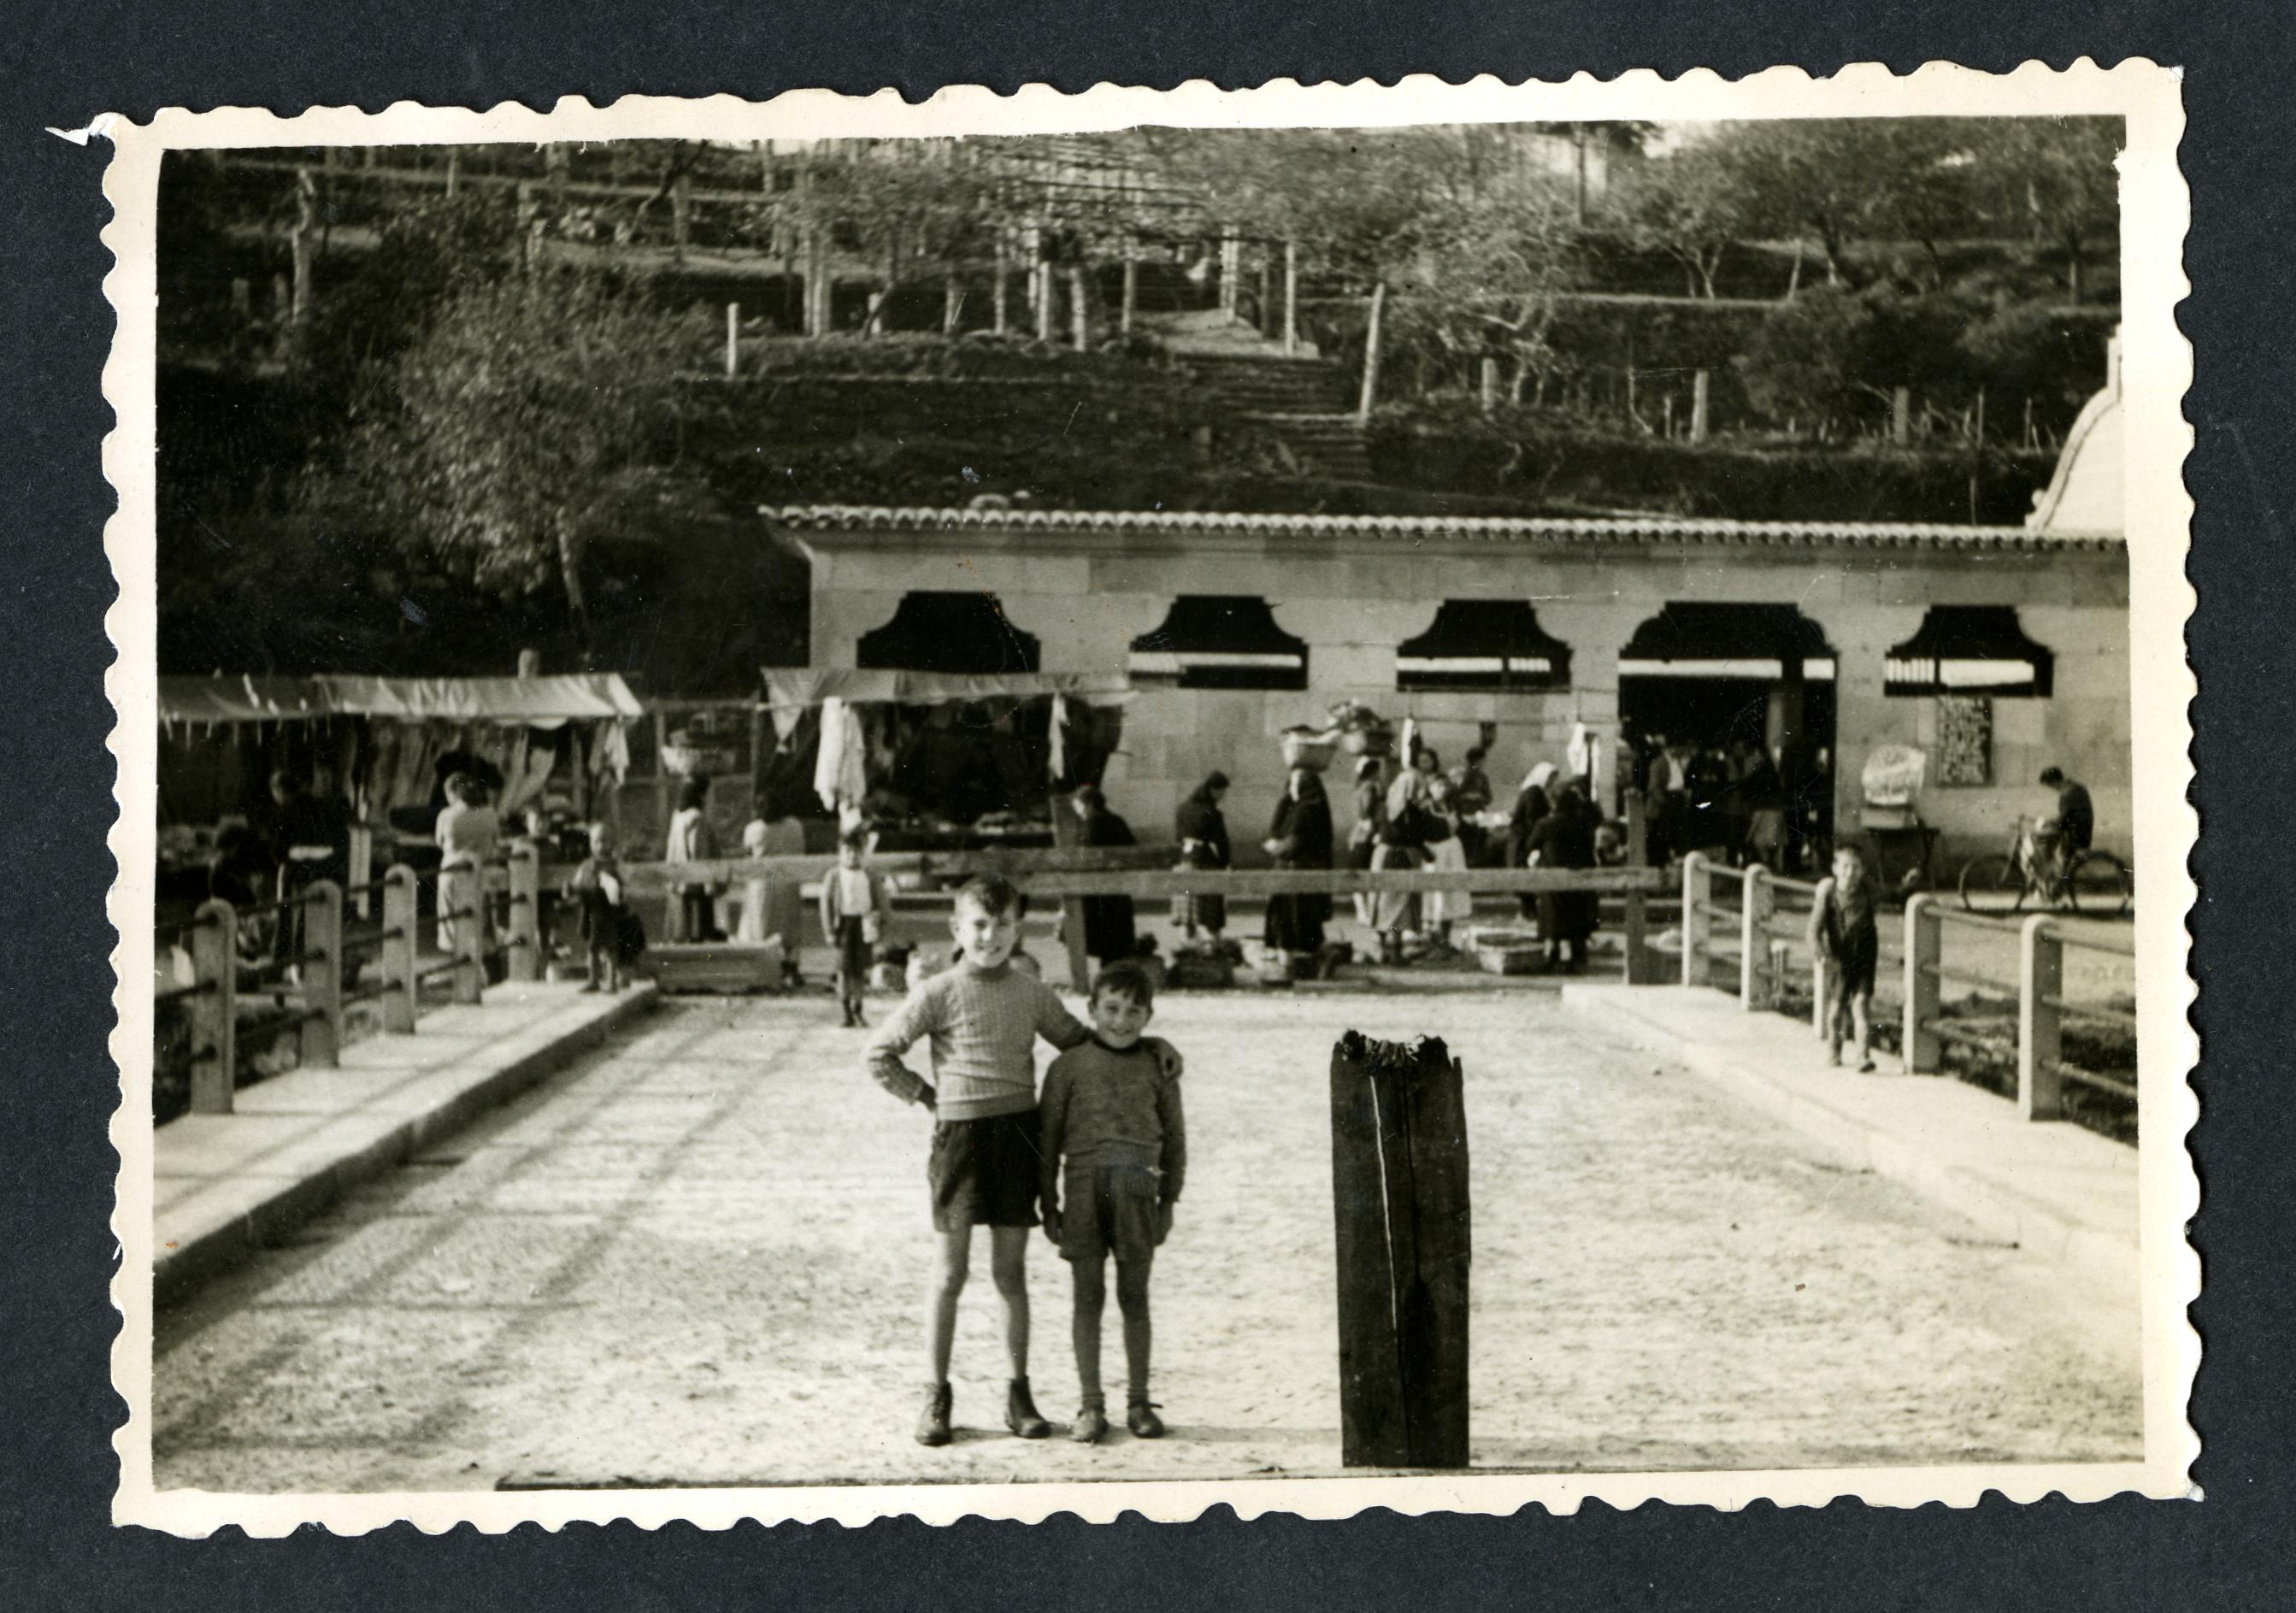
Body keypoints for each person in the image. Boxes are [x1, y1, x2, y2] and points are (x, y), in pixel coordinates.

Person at [865, 874, 1181, 1448]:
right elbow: (878, 1051)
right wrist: (927, 1095)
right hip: (959, 1141)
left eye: (1003, 925)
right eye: (979, 925)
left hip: (1017, 1135)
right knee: (949, 1273)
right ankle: (935, 1394)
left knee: (1010, 1274)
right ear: (957, 928)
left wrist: (1152, 1046)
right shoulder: (936, 991)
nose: (990, 936)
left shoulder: (1030, 991)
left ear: (1018, 929)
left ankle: (1019, 1392)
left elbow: (1089, 1039)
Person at [1039, 959, 1186, 1443]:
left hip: (1138, 1192)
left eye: (1134, 1011)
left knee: (1134, 1297)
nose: (1121, 1021)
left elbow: (1176, 1142)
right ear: (1092, 1008)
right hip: (1083, 1191)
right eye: (1111, 1008)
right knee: (1087, 1298)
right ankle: (1090, 1405)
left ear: (1149, 1016)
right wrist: (1048, 1202)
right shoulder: (1066, 1068)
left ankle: (1140, 1402)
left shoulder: (1159, 1067)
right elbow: (1047, 1140)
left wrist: (1168, 1203)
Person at [1810, 843, 1879, 1072]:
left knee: (1861, 1004)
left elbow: (1892, 894)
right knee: (1837, 1008)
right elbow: (1813, 929)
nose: (1851, 873)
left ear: (1862, 870)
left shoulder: (1868, 891)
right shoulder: (1829, 896)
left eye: (1856, 867)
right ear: (1835, 868)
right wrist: (1819, 951)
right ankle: (1834, 1050)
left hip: (1865, 957)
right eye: (1846, 867)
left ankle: (1863, 1056)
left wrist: (1908, 885)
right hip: (1839, 959)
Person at [819, 828, 892, 1027]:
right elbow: (825, 902)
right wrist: (829, 931)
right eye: (847, 851)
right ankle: (845, 1011)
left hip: (863, 925)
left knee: (859, 971)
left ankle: (858, 1008)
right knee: (843, 970)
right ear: (839, 853)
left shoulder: (869, 874)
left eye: (856, 852)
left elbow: (881, 900)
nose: (852, 856)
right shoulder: (834, 875)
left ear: (862, 853)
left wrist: (882, 922)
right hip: (842, 925)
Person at [1262, 765, 1334, 963]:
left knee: (1289, 919)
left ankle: (1291, 963)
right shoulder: (1311, 806)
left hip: (1294, 872)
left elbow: (1292, 844)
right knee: (1307, 921)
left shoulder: (1304, 810)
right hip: (1305, 872)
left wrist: (1274, 848)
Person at [1527, 777, 1598, 972]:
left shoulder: (1546, 824)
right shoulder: (1583, 823)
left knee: (1551, 912)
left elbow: (1531, 845)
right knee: (1572, 913)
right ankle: (1570, 955)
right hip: (1578, 876)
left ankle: (1550, 952)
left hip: (1552, 876)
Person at [738, 809, 808, 988]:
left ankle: (764, 969)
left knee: (762, 926)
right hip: (787, 880)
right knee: (789, 925)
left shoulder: (754, 829)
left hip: (763, 883)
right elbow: (800, 849)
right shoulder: (795, 826)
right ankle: (791, 968)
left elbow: (748, 854)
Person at [1071, 786, 1139, 971]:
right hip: (1118, 888)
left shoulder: (1091, 824)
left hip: (1097, 890)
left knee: (1101, 935)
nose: (1076, 811)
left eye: (1078, 805)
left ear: (1089, 804)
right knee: (1115, 940)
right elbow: (1133, 848)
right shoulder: (1117, 820)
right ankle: (1112, 971)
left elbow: (1082, 857)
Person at [433, 772, 499, 959]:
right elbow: (496, 839)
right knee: (483, 921)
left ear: (454, 792)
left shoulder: (447, 815)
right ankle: (486, 968)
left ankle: (457, 965)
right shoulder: (490, 813)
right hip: (482, 871)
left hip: (453, 872)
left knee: (452, 923)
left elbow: (439, 841)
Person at [1174, 773, 1233, 943]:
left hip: (1185, 860)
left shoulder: (1182, 808)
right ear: (1213, 790)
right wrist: (1225, 863)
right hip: (1206, 862)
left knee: (1187, 915)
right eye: (1221, 792)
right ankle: (1214, 947)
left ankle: (1185, 949)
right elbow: (1222, 841)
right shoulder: (1212, 812)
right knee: (1211, 913)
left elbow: (1178, 837)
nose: (1222, 796)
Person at [568, 824, 627, 994]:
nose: (601, 846)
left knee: (611, 948)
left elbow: (621, 887)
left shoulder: (614, 865)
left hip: (609, 912)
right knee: (592, 947)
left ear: (612, 843)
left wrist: (613, 886)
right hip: (591, 911)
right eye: (596, 842)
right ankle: (593, 979)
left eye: (605, 841)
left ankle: (612, 981)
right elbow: (578, 883)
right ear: (591, 844)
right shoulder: (587, 865)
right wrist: (573, 889)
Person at [665, 777, 725, 943]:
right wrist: (709, 882)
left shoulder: (677, 817)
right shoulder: (697, 818)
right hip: (696, 877)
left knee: (683, 922)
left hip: (679, 874)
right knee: (699, 925)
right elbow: (700, 849)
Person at [1420, 774, 1471, 951]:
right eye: (1438, 785)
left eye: (1445, 785)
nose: (1443, 789)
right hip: (1434, 853)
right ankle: (1432, 938)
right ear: (1430, 788)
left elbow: (1462, 827)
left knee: (1451, 895)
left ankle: (1446, 938)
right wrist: (1427, 854)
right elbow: (1419, 832)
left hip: (1453, 852)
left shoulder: (1452, 806)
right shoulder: (1426, 807)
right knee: (1434, 895)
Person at [1505, 762, 1557, 921]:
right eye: (1550, 779)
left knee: (1526, 880)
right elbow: (1533, 818)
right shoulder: (1534, 792)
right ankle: (1529, 914)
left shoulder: (1533, 790)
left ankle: (1529, 913)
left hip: (1523, 840)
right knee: (1526, 879)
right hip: (1524, 841)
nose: (1551, 783)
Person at [1345, 757, 1386, 929]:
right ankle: (1365, 913)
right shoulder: (1371, 787)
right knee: (1367, 874)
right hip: (1367, 836)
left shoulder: (1358, 788)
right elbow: (1368, 810)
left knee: (1359, 874)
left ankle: (1362, 912)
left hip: (1357, 837)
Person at [2036, 766, 2095, 883]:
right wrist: (2051, 822)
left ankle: (2055, 883)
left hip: (2076, 833)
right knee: (2051, 844)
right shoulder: (2073, 787)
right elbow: (2068, 814)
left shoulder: (2068, 792)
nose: (2052, 788)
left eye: (2050, 785)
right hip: (2079, 829)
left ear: (2054, 782)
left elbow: (2064, 818)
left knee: (2043, 841)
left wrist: (2049, 824)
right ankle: (2057, 884)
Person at [1450, 746, 1494, 865]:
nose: (1481, 764)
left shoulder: (1482, 777)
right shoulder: (1461, 775)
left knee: (1479, 847)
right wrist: (1468, 797)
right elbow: (1453, 796)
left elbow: (1488, 798)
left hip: (1478, 816)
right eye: (1479, 761)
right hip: (1464, 816)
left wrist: (1479, 798)